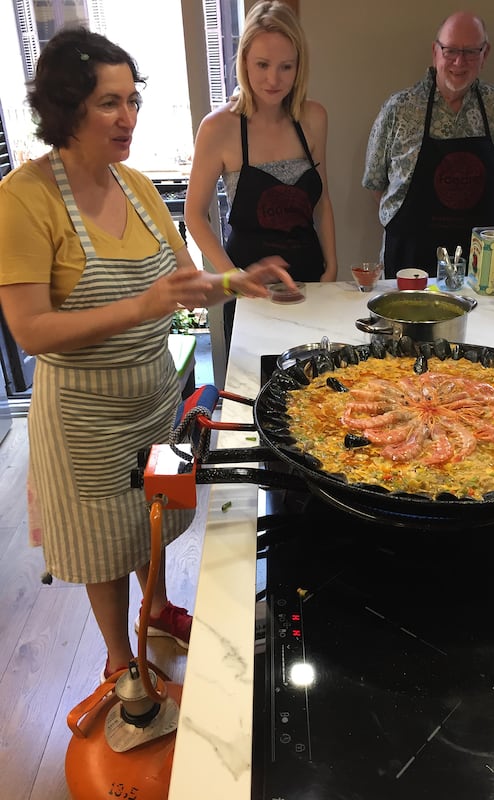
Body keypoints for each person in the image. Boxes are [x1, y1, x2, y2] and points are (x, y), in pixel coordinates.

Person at [0, 27, 296, 682]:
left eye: (133, 100)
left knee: (151, 520)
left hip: (153, 401)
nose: (128, 117)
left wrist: (235, 281)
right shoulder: (25, 198)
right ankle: (117, 658)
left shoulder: (133, 186)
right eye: (109, 103)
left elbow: (179, 281)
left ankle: (157, 608)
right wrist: (141, 306)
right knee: (103, 543)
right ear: (65, 108)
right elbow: (31, 332)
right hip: (84, 419)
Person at [184, 0, 337, 347]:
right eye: (262, 65)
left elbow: (322, 200)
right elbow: (194, 215)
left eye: (286, 66)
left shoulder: (314, 117)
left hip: (310, 282)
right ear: (244, 63)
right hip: (250, 290)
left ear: (300, 67)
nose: (273, 79)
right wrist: (231, 276)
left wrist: (331, 265)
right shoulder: (218, 127)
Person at [362, 11, 494, 278]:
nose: (460, 61)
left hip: (478, 264)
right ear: (435, 51)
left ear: (485, 54)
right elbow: (376, 183)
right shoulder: (399, 108)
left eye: (471, 51)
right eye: (450, 51)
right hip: (410, 256)